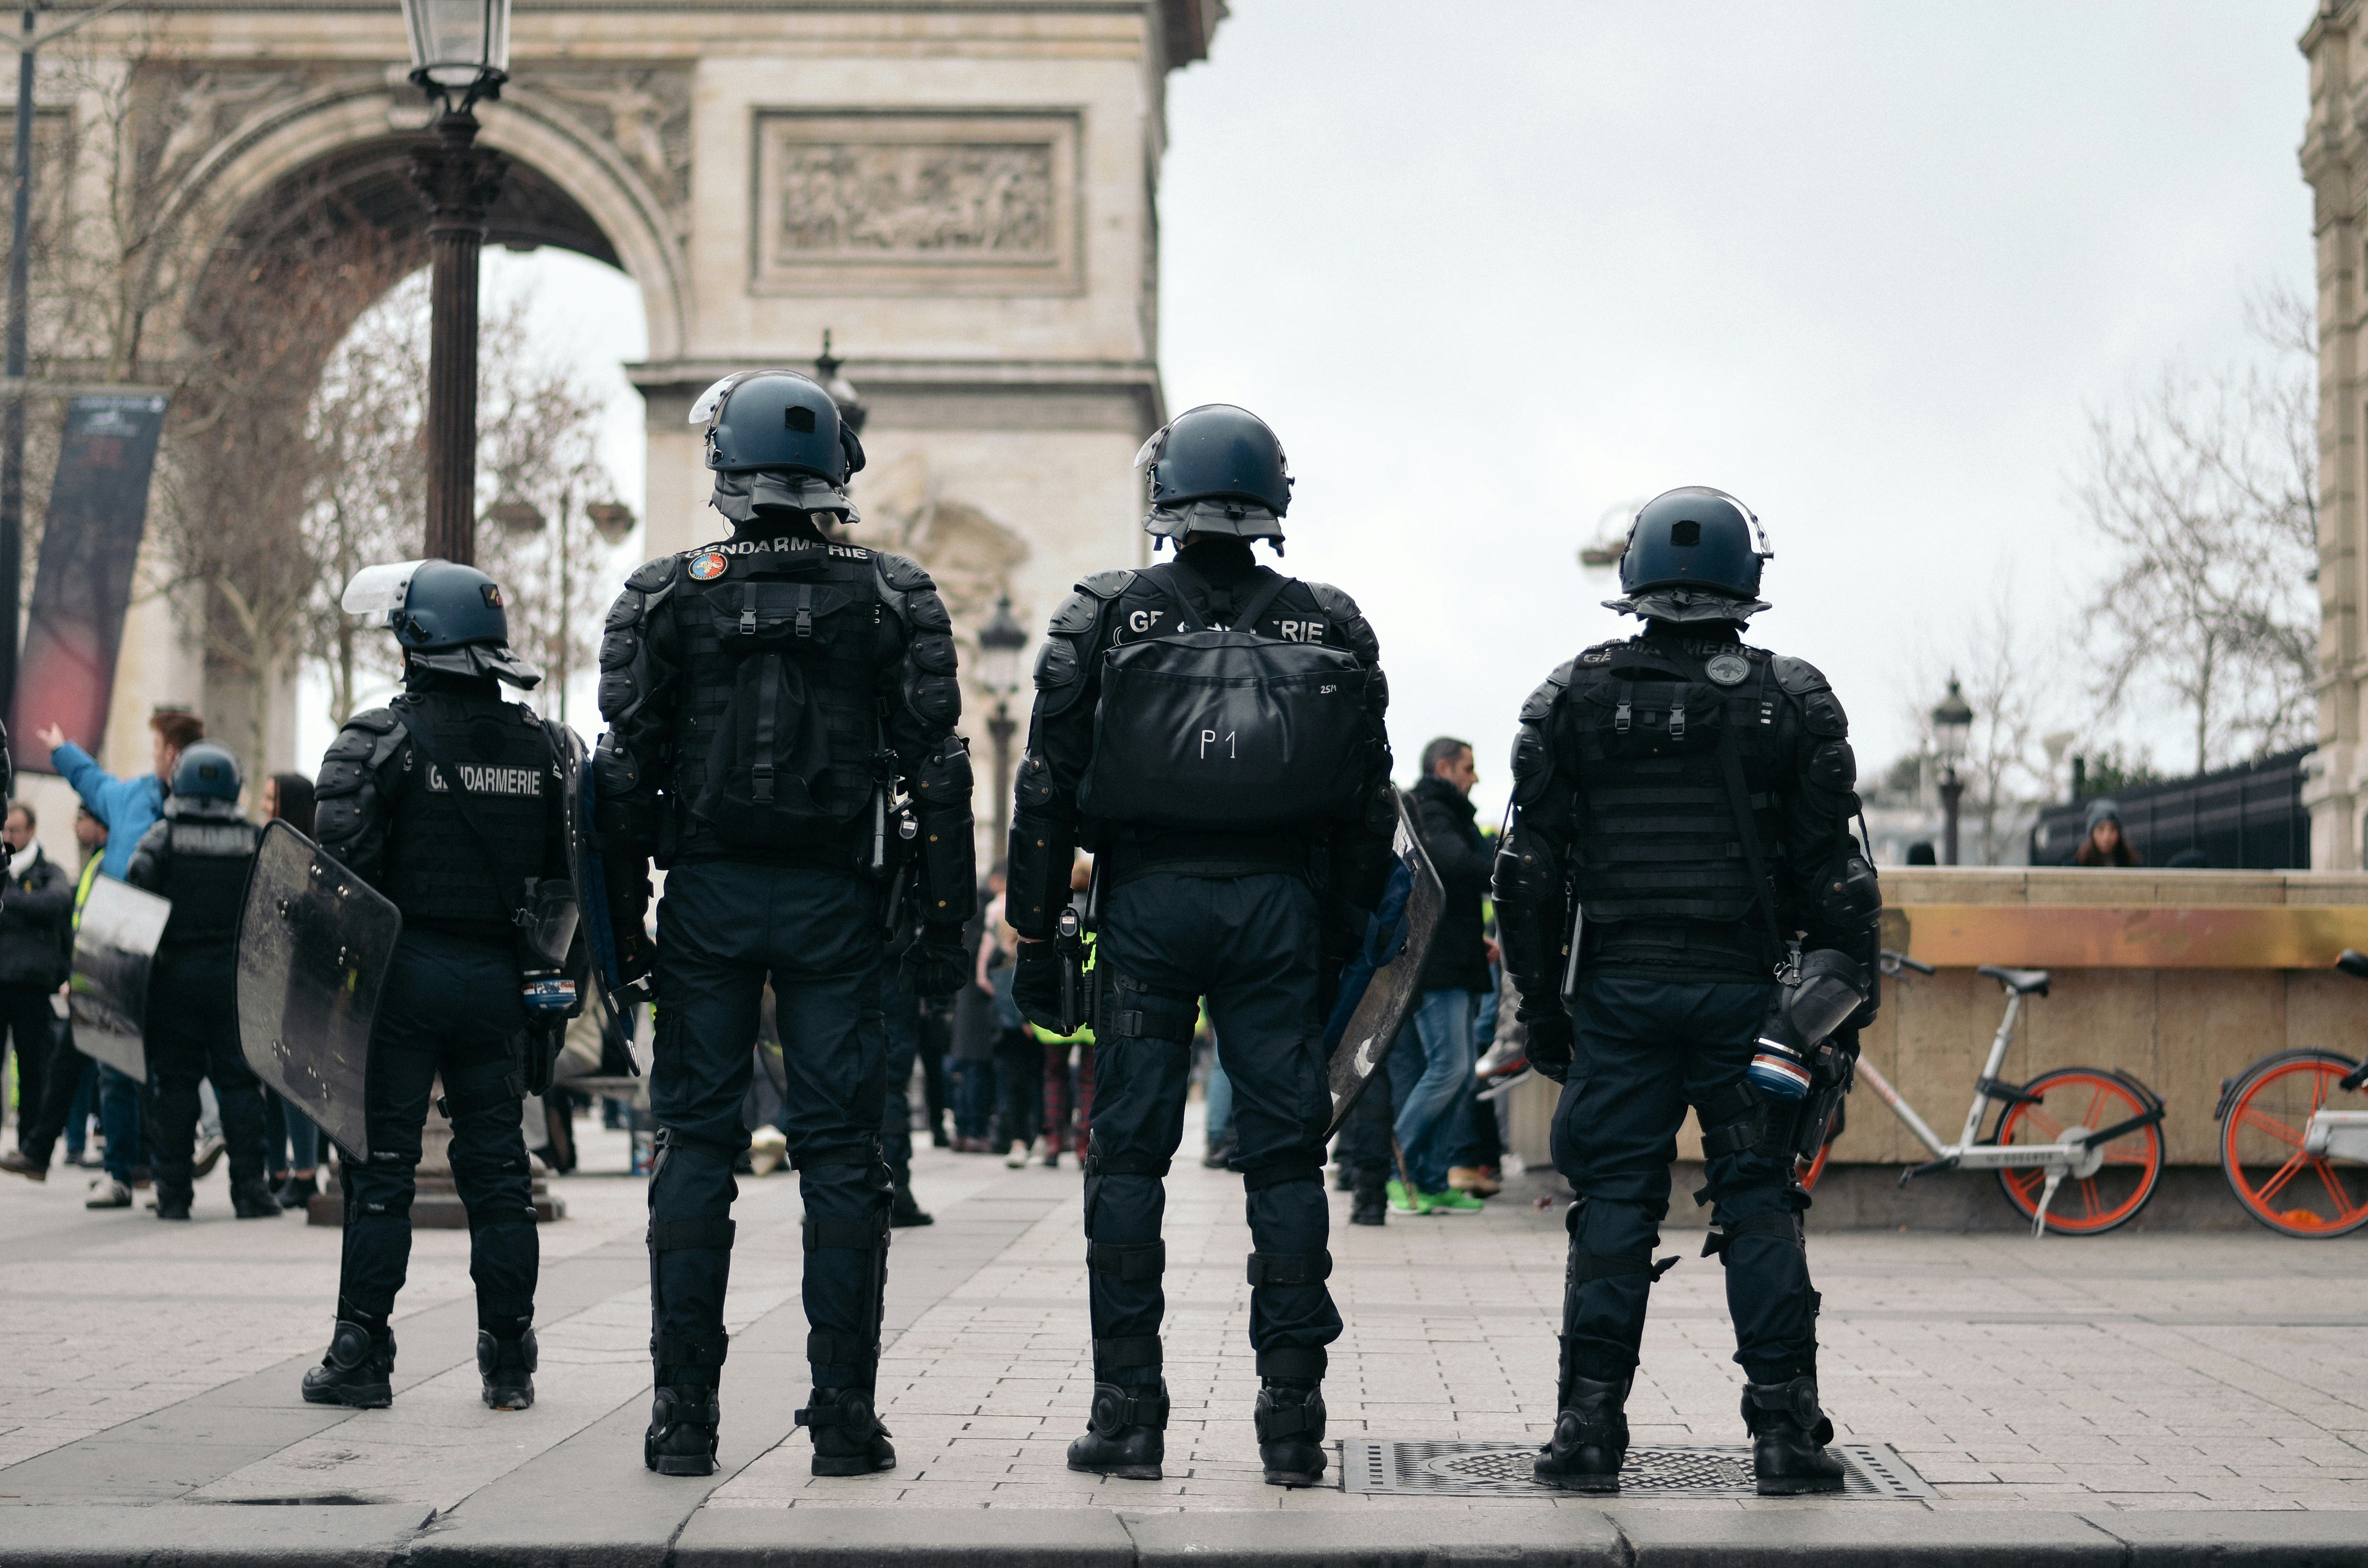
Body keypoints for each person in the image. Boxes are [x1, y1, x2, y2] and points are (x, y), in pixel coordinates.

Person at [593, 368, 974, 1478]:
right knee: (843, 1154)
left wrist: (627, 936)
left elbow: (622, 779)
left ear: (725, 474)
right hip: (837, 904)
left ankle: (682, 1420)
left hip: (706, 898)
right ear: (835, 477)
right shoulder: (894, 592)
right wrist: (943, 930)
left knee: (695, 1148)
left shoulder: (665, 593)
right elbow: (939, 774)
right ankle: (845, 1419)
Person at [1006, 403, 1396, 1488]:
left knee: (1128, 1155)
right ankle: (1292, 1420)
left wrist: (1036, 931)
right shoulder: (1329, 622)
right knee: (1283, 1158)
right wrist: (1338, 934)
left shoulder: (1106, 614)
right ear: (1272, 499)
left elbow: (1046, 795)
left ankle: (1129, 1413)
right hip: (1278, 910)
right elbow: (1371, 807)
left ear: (1163, 496)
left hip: (1148, 908)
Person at [1493, 487, 1882, 1497]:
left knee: (1612, 1204)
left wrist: (1544, 1010)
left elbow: (1525, 875)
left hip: (1619, 994)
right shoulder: (1791, 699)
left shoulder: (1572, 695)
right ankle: (1784, 1436)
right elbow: (1836, 881)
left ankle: (1586, 1432)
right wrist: (1837, 1015)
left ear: (1633, 583)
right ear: (1744, 582)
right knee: (1760, 1204)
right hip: (1746, 1002)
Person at [303, 558, 571, 1414]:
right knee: (498, 1170)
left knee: (380, 1168)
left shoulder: (373, 743)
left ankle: (360, 1349)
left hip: (404, 980)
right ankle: (509, 1357)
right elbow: (569, 885)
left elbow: (336, 888)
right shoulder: (548, 748)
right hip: (499, 983)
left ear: (415, 638)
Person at [39, 709, 197, 1200]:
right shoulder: (132, 797)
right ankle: (120, 1172)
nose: (152, 757)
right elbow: (92, 780)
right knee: (114, 1063)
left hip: (173, 951)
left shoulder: (196, 804)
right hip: (124, 945)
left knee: (168, 1066)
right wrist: (61, 749)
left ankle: (165, 1168)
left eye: (155, 748)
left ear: (172, 753)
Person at [125, 742, 273, 1222]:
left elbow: (135, 883)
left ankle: (173, 1193)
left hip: (175, 981)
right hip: (234, 981)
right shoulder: (253, 839)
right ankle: (250, 1190)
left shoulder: (162, 838)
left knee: (176, 1085)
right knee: (241, 1086)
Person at [1387, 737, 1496, 1215]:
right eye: (1468, 768)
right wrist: (1502, 868)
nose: (1474, 778)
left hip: (1454, 954)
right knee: (1448, 1069)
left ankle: (1431, 1179)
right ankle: (1399, 1170)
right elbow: (1452, 867)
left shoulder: (1443, 810)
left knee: (1458, 1075)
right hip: (1438, 962)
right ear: (1445, 766)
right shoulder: (1433, 808)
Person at [259, 772, 325, 1210]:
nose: (264, 806)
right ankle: (278, 1171)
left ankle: (304, 1174)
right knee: (271, 1077)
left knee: (296, 1077)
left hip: (302, 987)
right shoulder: (275, 849)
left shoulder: (309, 860)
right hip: (272, 979)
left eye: (271, 798)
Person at [0, 803, 69, 1151]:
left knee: (32, 1067)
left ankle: (29, 1143)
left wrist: (8, 900)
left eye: (15, 830)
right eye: (5, 830)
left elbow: (56, 904)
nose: (8, 837)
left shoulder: (49, 872)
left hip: (32, 986)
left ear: (31, 831)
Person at [2072, 798, 2139, 866]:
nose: (2107, 837)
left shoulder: (2131, 863)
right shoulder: (2077, 865)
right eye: (2101, 829)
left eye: (2113, 830)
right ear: (2092, 833)